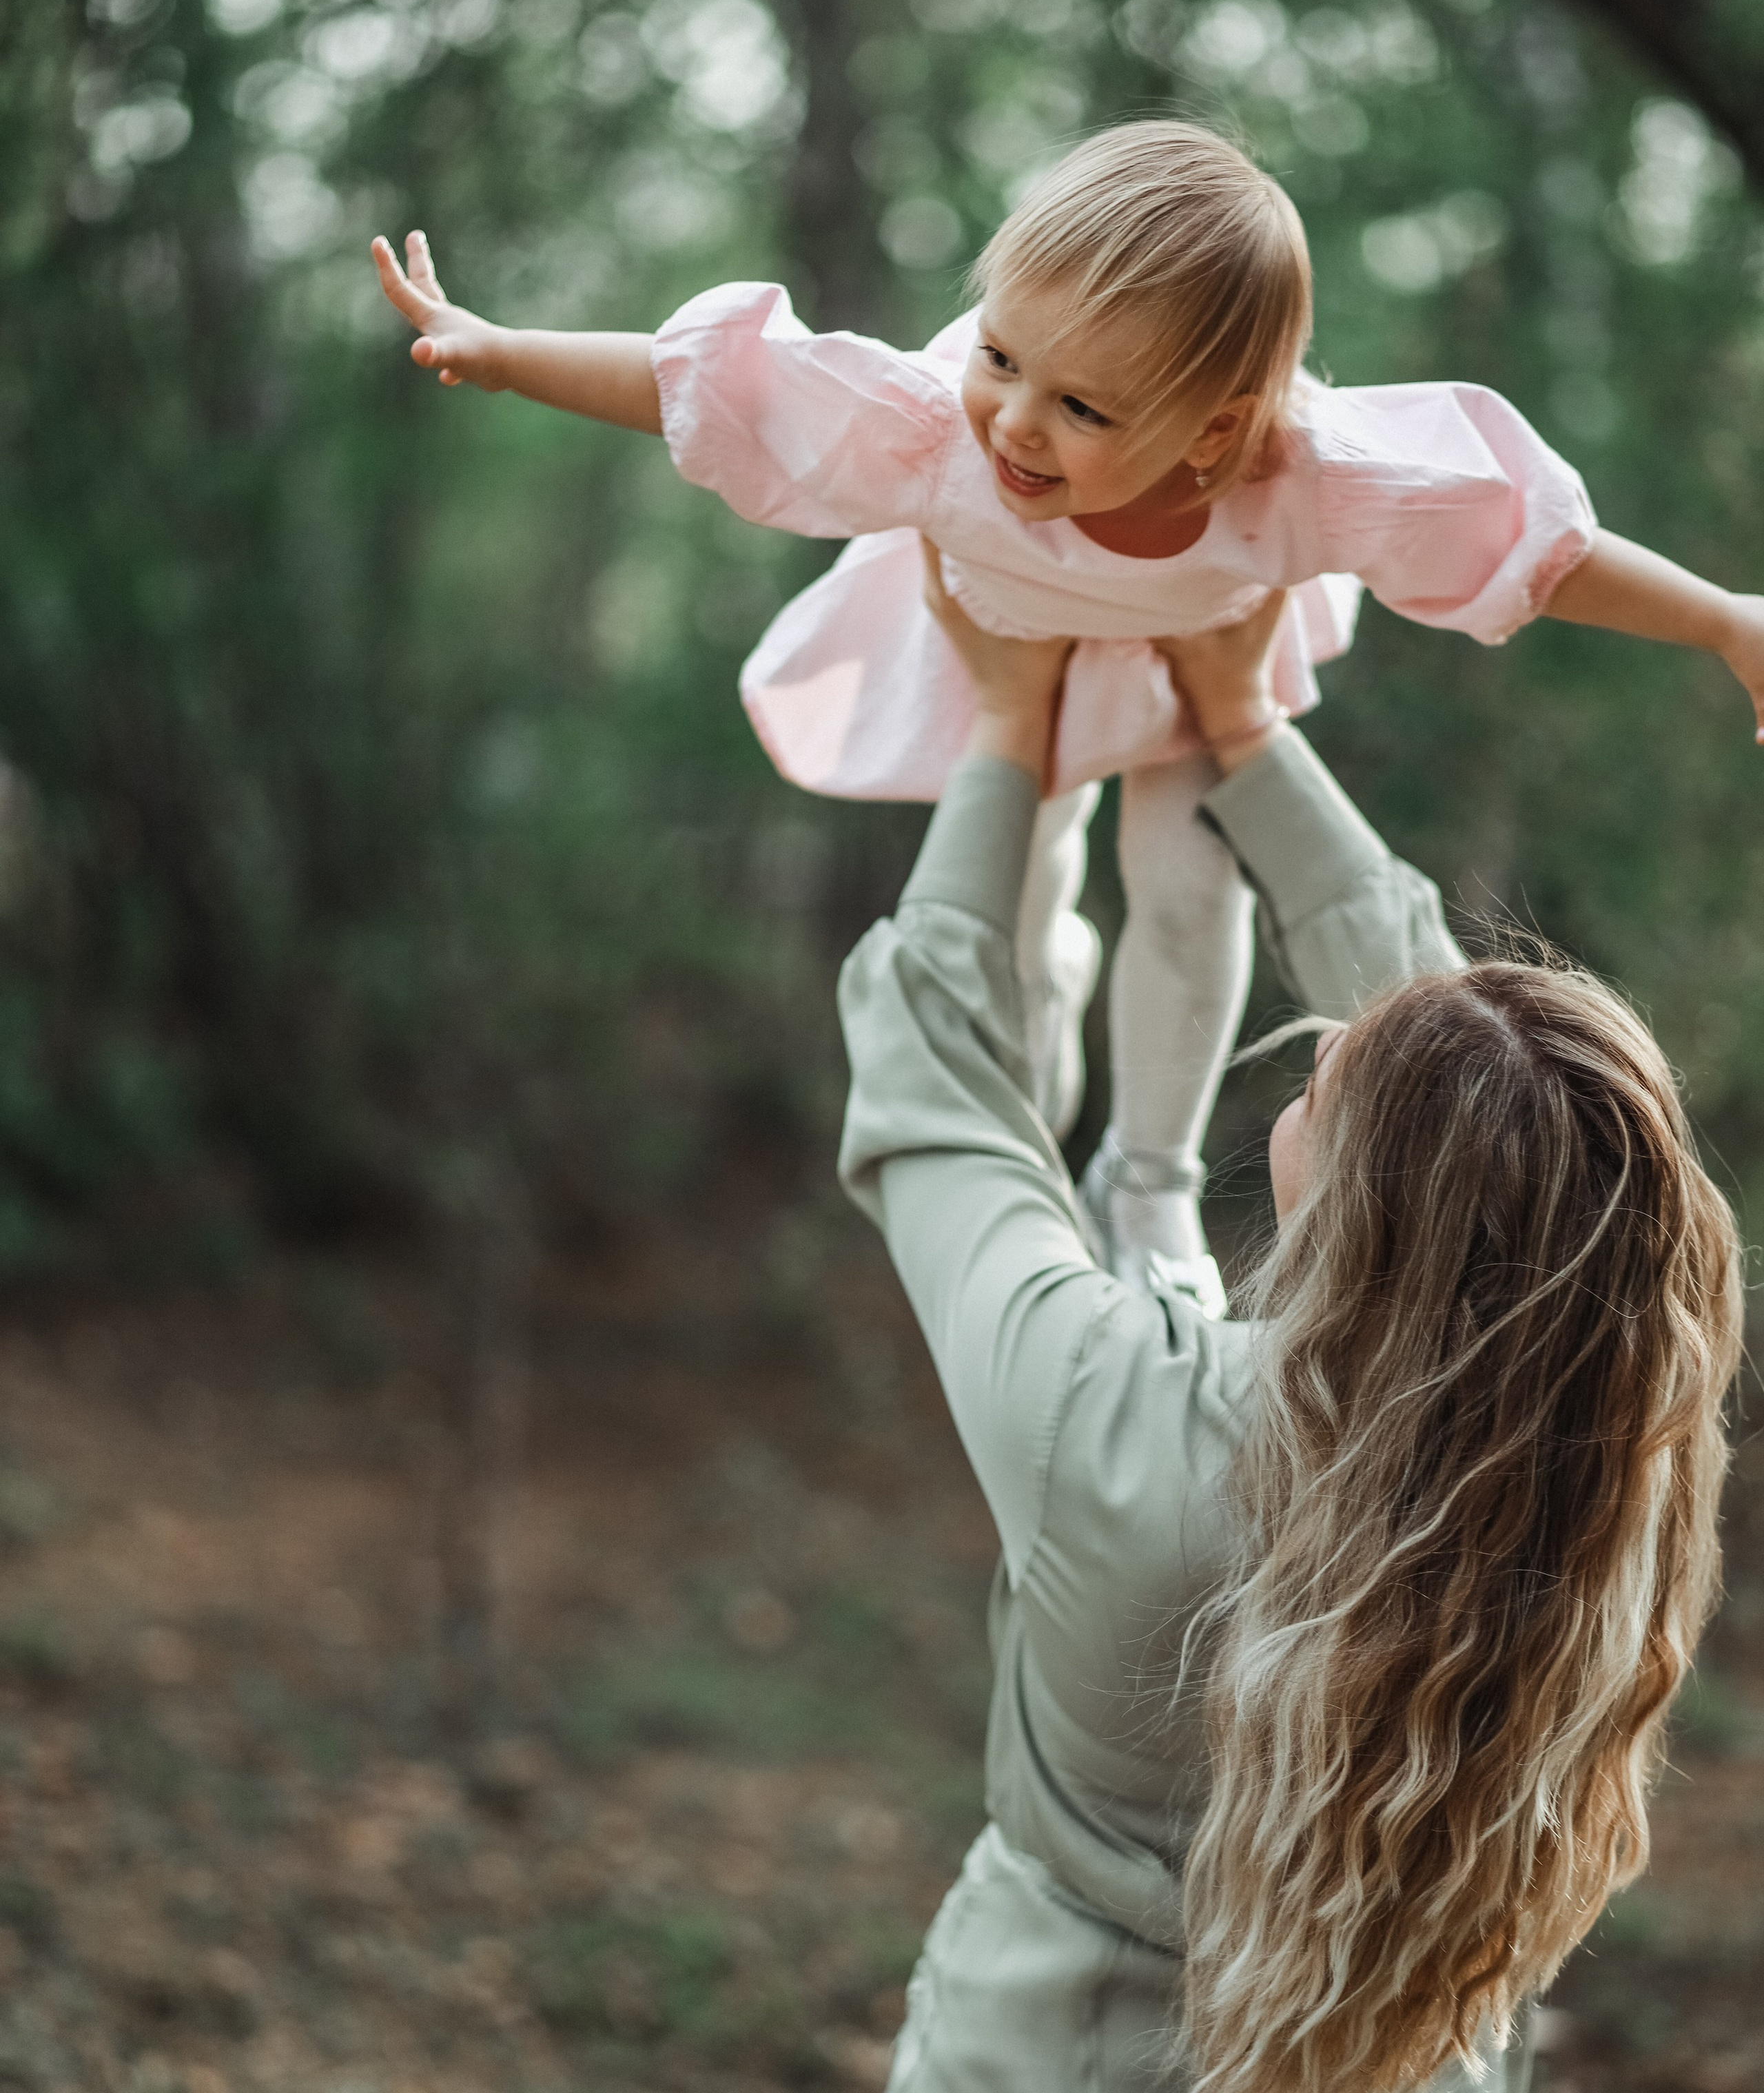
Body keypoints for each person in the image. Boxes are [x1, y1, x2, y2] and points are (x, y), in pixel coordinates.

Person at [370, 121, 1764, 1307]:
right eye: (999, 356)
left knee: (1187, 881)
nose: (1013, 423)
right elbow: (731, 390)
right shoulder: (935, 430)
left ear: (1216, 429)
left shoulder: (1306, 476)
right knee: (1022, 891)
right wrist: (503, 350)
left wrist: (1719, 620)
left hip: (1189, 676)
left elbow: (1521, 541)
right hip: (1011, 660)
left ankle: (1146, 1176)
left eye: (1081, 406)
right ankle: (1027, 1110)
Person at [827, 558, 1740, 2093]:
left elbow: (936, 1077)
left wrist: (1006, 735)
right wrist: (1242, 728)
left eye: (1331, 1078)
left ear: (1361, 1199)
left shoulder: (1118, 1421)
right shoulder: (1617, 1478)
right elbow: (1503, 1136)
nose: (1314, 1063)